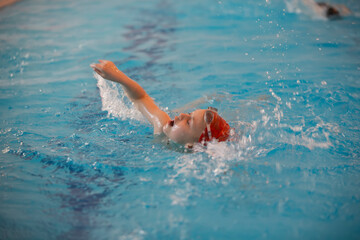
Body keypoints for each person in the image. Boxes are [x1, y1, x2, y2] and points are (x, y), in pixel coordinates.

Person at [90, 60, 230, 147]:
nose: (181, 115)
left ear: (191, 146)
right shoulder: (162, 125)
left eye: (188, 122)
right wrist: (118, 76)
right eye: (188, 114)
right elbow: (141, 98)